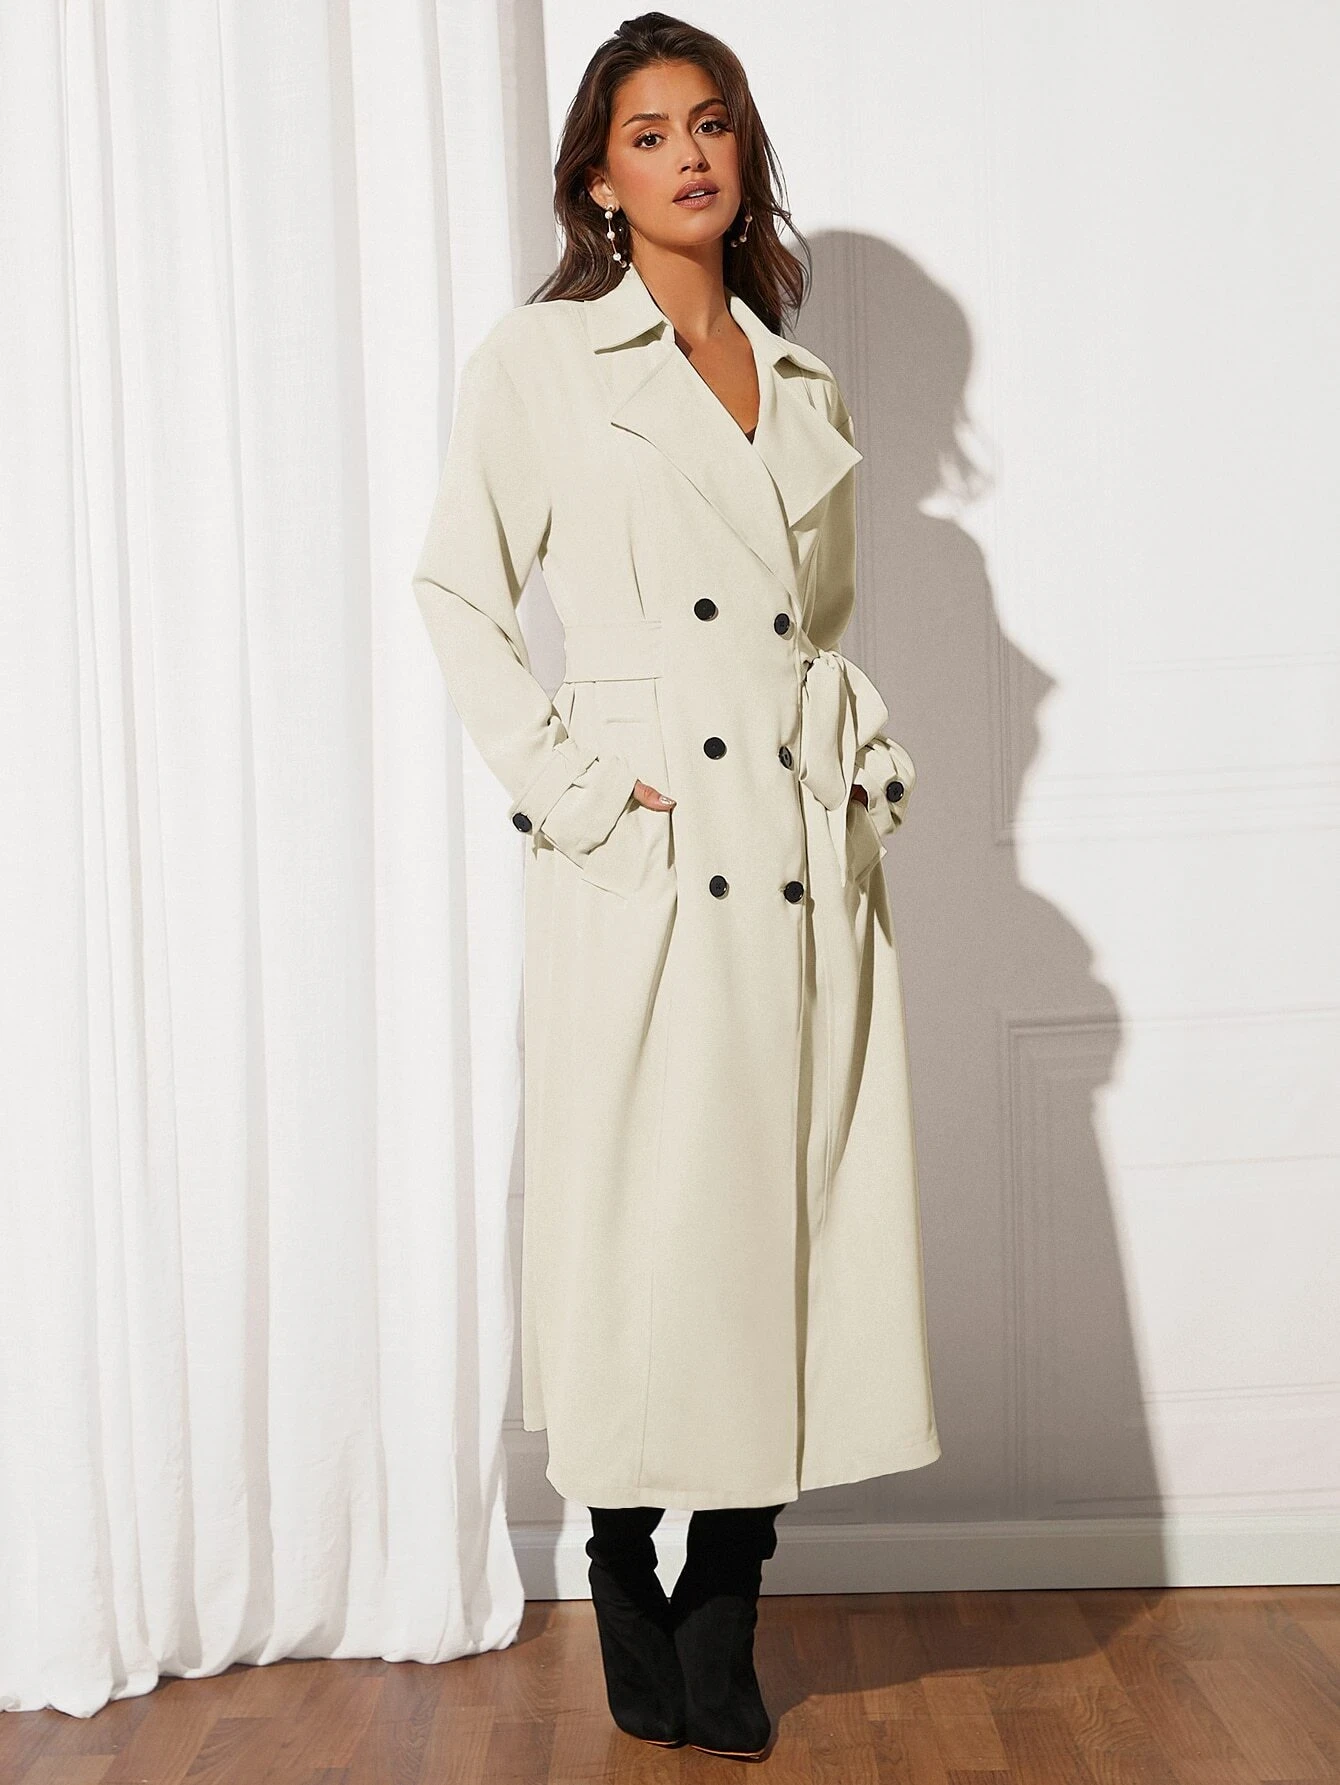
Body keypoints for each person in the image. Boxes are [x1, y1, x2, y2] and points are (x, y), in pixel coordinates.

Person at [412, 11, 941, 1761]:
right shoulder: (543, 361)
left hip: (791, 850)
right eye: (649, 134)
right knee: (650, 1226)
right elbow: (458, 593)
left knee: (779, 1218)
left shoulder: (803, 380)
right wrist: (579, 793)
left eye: (711, 125)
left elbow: (814, 630)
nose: (690, 156)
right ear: (598, 178)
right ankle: (622, 1563)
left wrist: (852, 760)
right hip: (648, 845)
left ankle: (729, 1595)